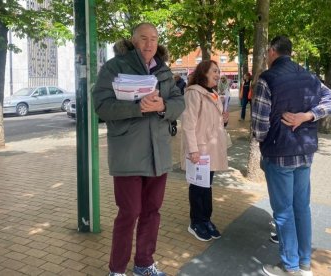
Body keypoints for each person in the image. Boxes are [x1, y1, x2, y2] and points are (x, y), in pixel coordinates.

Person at [92, 22, 185, 276]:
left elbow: (179, 102)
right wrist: (138, 108)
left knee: (152, 211)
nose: (149, 44)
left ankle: (144, 263)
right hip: (128, 153)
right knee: (129, 212)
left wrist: (162, 105)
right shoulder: (114, 67)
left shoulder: (164, 70)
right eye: (144, 38)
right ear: (134, 41)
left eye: (154, 38)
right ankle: (117, 270)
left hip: (159, 153)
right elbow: (101, 106)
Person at [252, 36, 331, 276]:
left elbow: (260, 126)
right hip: (305, 152)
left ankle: (289, 266)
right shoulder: (309, 76)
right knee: (302, 207)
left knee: (283, 212)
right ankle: (304, 265)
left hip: (279, 153)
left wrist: (262, 141)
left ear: (272, 52)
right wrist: (308, 115)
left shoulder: (267, 78)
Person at [180, 60, 229, 242]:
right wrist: (193, 150)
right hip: (199, 150)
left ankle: (206, 219)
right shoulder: (194, 93)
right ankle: (196, 222)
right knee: (197, 187)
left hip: (212, 148)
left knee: (206, 186)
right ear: (204, 73)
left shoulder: (213, 93)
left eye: (218, 71)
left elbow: (211, 121)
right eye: (214, 71)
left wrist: (223, 119)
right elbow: (188, 124)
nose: (218, 74)